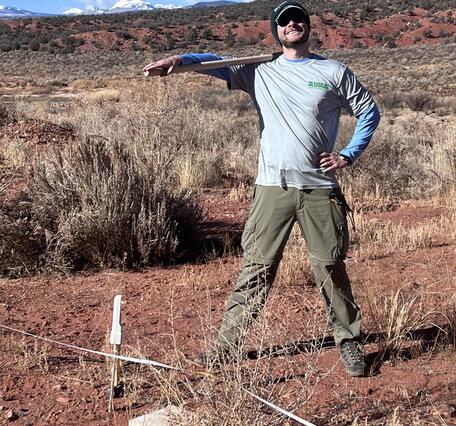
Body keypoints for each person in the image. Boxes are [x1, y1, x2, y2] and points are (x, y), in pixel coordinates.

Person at [143, 0, 380, 377]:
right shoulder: (259, 70)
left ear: (307, 26)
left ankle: (349, 341)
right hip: (272, 187)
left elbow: (369, 111)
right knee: (256, 268)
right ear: (276, 30)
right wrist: (180, 59)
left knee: (330, 266)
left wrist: (348, 155)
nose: (291, 24)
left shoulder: (333, 71)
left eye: (297, 19)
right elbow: (216, 62)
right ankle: (226, 346)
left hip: (319, 188)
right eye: (283, 21)